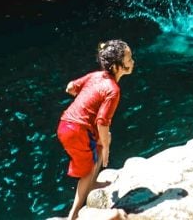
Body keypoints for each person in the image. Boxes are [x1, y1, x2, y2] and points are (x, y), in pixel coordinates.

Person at [57, 40, 135, 220]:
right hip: (78, 130)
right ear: (116, 67)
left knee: (101, 142)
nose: (132, 61)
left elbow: (70, 86)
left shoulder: (96, 76)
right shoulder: (113, 90)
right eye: (129, 59)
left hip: (65, 125)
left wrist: (85, 97)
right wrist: (106, 148)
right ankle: (73, 215)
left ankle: (92, 184)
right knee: (88, 167)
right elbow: (102, 122)